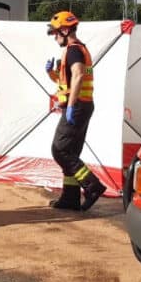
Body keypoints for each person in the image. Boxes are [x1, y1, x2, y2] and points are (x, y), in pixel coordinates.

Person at [44, 11, 107, 211]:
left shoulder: (73, 50)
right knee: (70, 152)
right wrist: (52, 74)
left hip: (77, 107)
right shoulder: (80, 49)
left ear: (64, 30)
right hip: (83, 105)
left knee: (60, 150)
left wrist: (70, 107)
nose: (54, 38)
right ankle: (70, 198)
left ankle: (92, 186)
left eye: (55, 33)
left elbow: (79, 76)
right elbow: (71, 81)